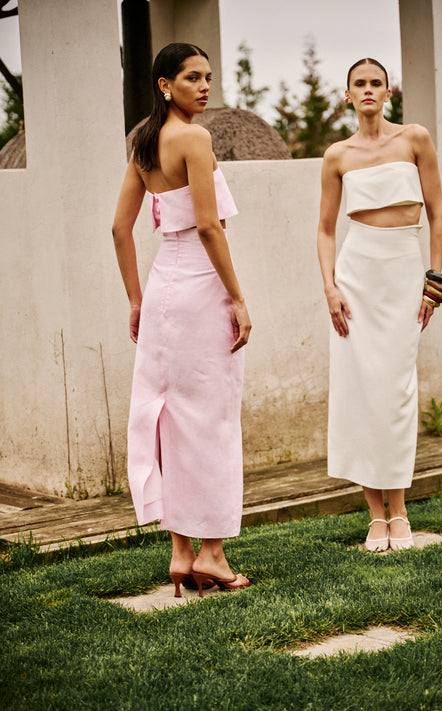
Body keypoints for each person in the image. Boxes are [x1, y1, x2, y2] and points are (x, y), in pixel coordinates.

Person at [112, 43, 252, 595]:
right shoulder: (194, 139)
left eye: (208, 77)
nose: (204, 86)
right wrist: (237, 298)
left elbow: (120, 229)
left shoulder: (144, 143)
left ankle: (180, 552)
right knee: (211, 419)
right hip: (199, 286)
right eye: (192, 77)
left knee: (169, 418)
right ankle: (212, 556)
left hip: (163, 289)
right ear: (165, 85)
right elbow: (209, 227)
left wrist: (136, 299)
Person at [317, 58, 442, 552]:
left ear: (389, 92)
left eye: (377, 83)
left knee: (396, 392)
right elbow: (325, 229)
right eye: (360, 84)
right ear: (347, 94)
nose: (368, 89)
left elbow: (437, 214)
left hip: (404, 272)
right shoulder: (337, 155)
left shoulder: (415, 139)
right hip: (356, 277)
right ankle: (376, 515)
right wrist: (330, 287)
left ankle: (401, 510)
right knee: (360, 392)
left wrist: (434, 280)